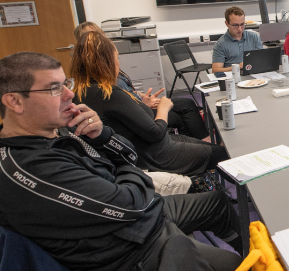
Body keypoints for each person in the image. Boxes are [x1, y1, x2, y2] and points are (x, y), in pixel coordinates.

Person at [0, 52, 242, 271]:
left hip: (137, 218)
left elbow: (130, 158)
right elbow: (130, 203)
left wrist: (102, 135)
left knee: (217, 203)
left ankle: (250, 250)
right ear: (14, 101)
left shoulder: (58, 131)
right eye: (54, 88)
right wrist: (130, 172)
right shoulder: (28, 168)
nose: (69, 94)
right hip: (130, 248)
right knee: (234, 265)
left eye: (66, 84)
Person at [71, 30, 228, 175]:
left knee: (215, 148)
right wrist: (163, 108)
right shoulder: (110, 93)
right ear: (107, 62)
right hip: (157, 155)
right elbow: (156, 133)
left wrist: (141, 106)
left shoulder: (81, 92)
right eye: (116, 57)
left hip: (147, 149)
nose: (118, 64)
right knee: (226, 154)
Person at [73, 22, 211, 141]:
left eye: (98, 34)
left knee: (185, 104)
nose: (99, 40)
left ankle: (198, 142)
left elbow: (127, 92)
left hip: (140, 105)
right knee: (182, 111)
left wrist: (141, 97)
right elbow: (128, 108)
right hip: (141, 116)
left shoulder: (103, 76)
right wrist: (145, 104)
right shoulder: (105, 86)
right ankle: (203, 142)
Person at [212, 6, 263, 73]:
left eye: (242, 24)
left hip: (253, 74)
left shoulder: (254, 37)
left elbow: (261, 59)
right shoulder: (221, 44)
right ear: (227, 24)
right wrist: (238, 67)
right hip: (233, 77)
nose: (239, 29)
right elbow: (215, 70)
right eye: (235, 25)